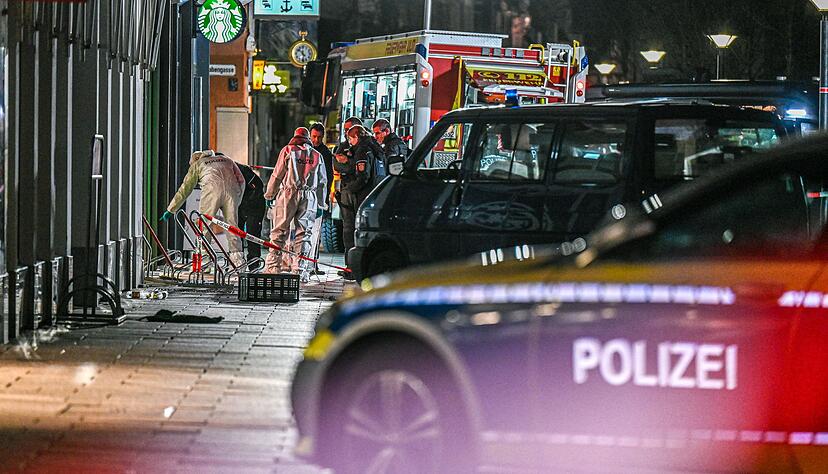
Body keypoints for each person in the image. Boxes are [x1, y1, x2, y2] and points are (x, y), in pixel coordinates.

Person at [264, 127, 327, 280]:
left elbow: (277, 174)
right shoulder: (316, 155)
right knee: (304, 234)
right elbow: (322, 182)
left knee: (279, 230)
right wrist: (320, 204)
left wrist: (270, 194)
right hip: (309, 197)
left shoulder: (288, 150)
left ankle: (273, 267)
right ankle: (300, 270)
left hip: (288, 194)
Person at [161, 149, 245, 266]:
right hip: (232, 192)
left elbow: (185, 189)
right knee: (232, 227)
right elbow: (241, 180)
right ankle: (238, 262)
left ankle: (205, 261)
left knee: (204, 225)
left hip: (211, 192)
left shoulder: (198, 164)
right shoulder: (227, 159)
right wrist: (237, 199)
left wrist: (171, 209)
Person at [334, 125, 376, 280]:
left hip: (358, 196)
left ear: (356, 136)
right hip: (363, 196)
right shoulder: (370, 147)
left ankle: (352, 269)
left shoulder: (362, 150)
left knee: (350, 231)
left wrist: (349, 189)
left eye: (351, 138)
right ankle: (352, 268)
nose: (349, 141)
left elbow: (363, 176)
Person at [309, 123, 334, 275]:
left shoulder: (325, 153)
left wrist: (324, 198)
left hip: (318, 197)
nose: (316, 140)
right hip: (304, 197)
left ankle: (314, 264)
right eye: (314, 137)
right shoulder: (304, 150)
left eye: (319, 137)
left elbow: (328, 177)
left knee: (316, 232)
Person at [234, 161, 266, 264]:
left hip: (254, 204)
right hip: (240, 203)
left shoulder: (241, 169)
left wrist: (247, 203)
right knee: (236, 234)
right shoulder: (225, 169)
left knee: (253, 234)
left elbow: (258, 185)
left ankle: (254, 264)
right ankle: (237, 262)